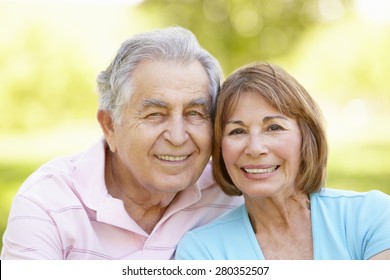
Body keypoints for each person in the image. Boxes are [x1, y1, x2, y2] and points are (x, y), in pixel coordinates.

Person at [1, 27, 242, 260]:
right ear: (110, 125)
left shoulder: (233, 194)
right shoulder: (48, 202)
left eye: (195, 113)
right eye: (155, 114)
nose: (177, 137)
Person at [176, 62, 390, 260]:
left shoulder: (370, 216)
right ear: (220, 148)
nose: (255, 148)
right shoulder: (202, 251)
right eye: (237, 131)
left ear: (306, 136)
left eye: (274, 128)